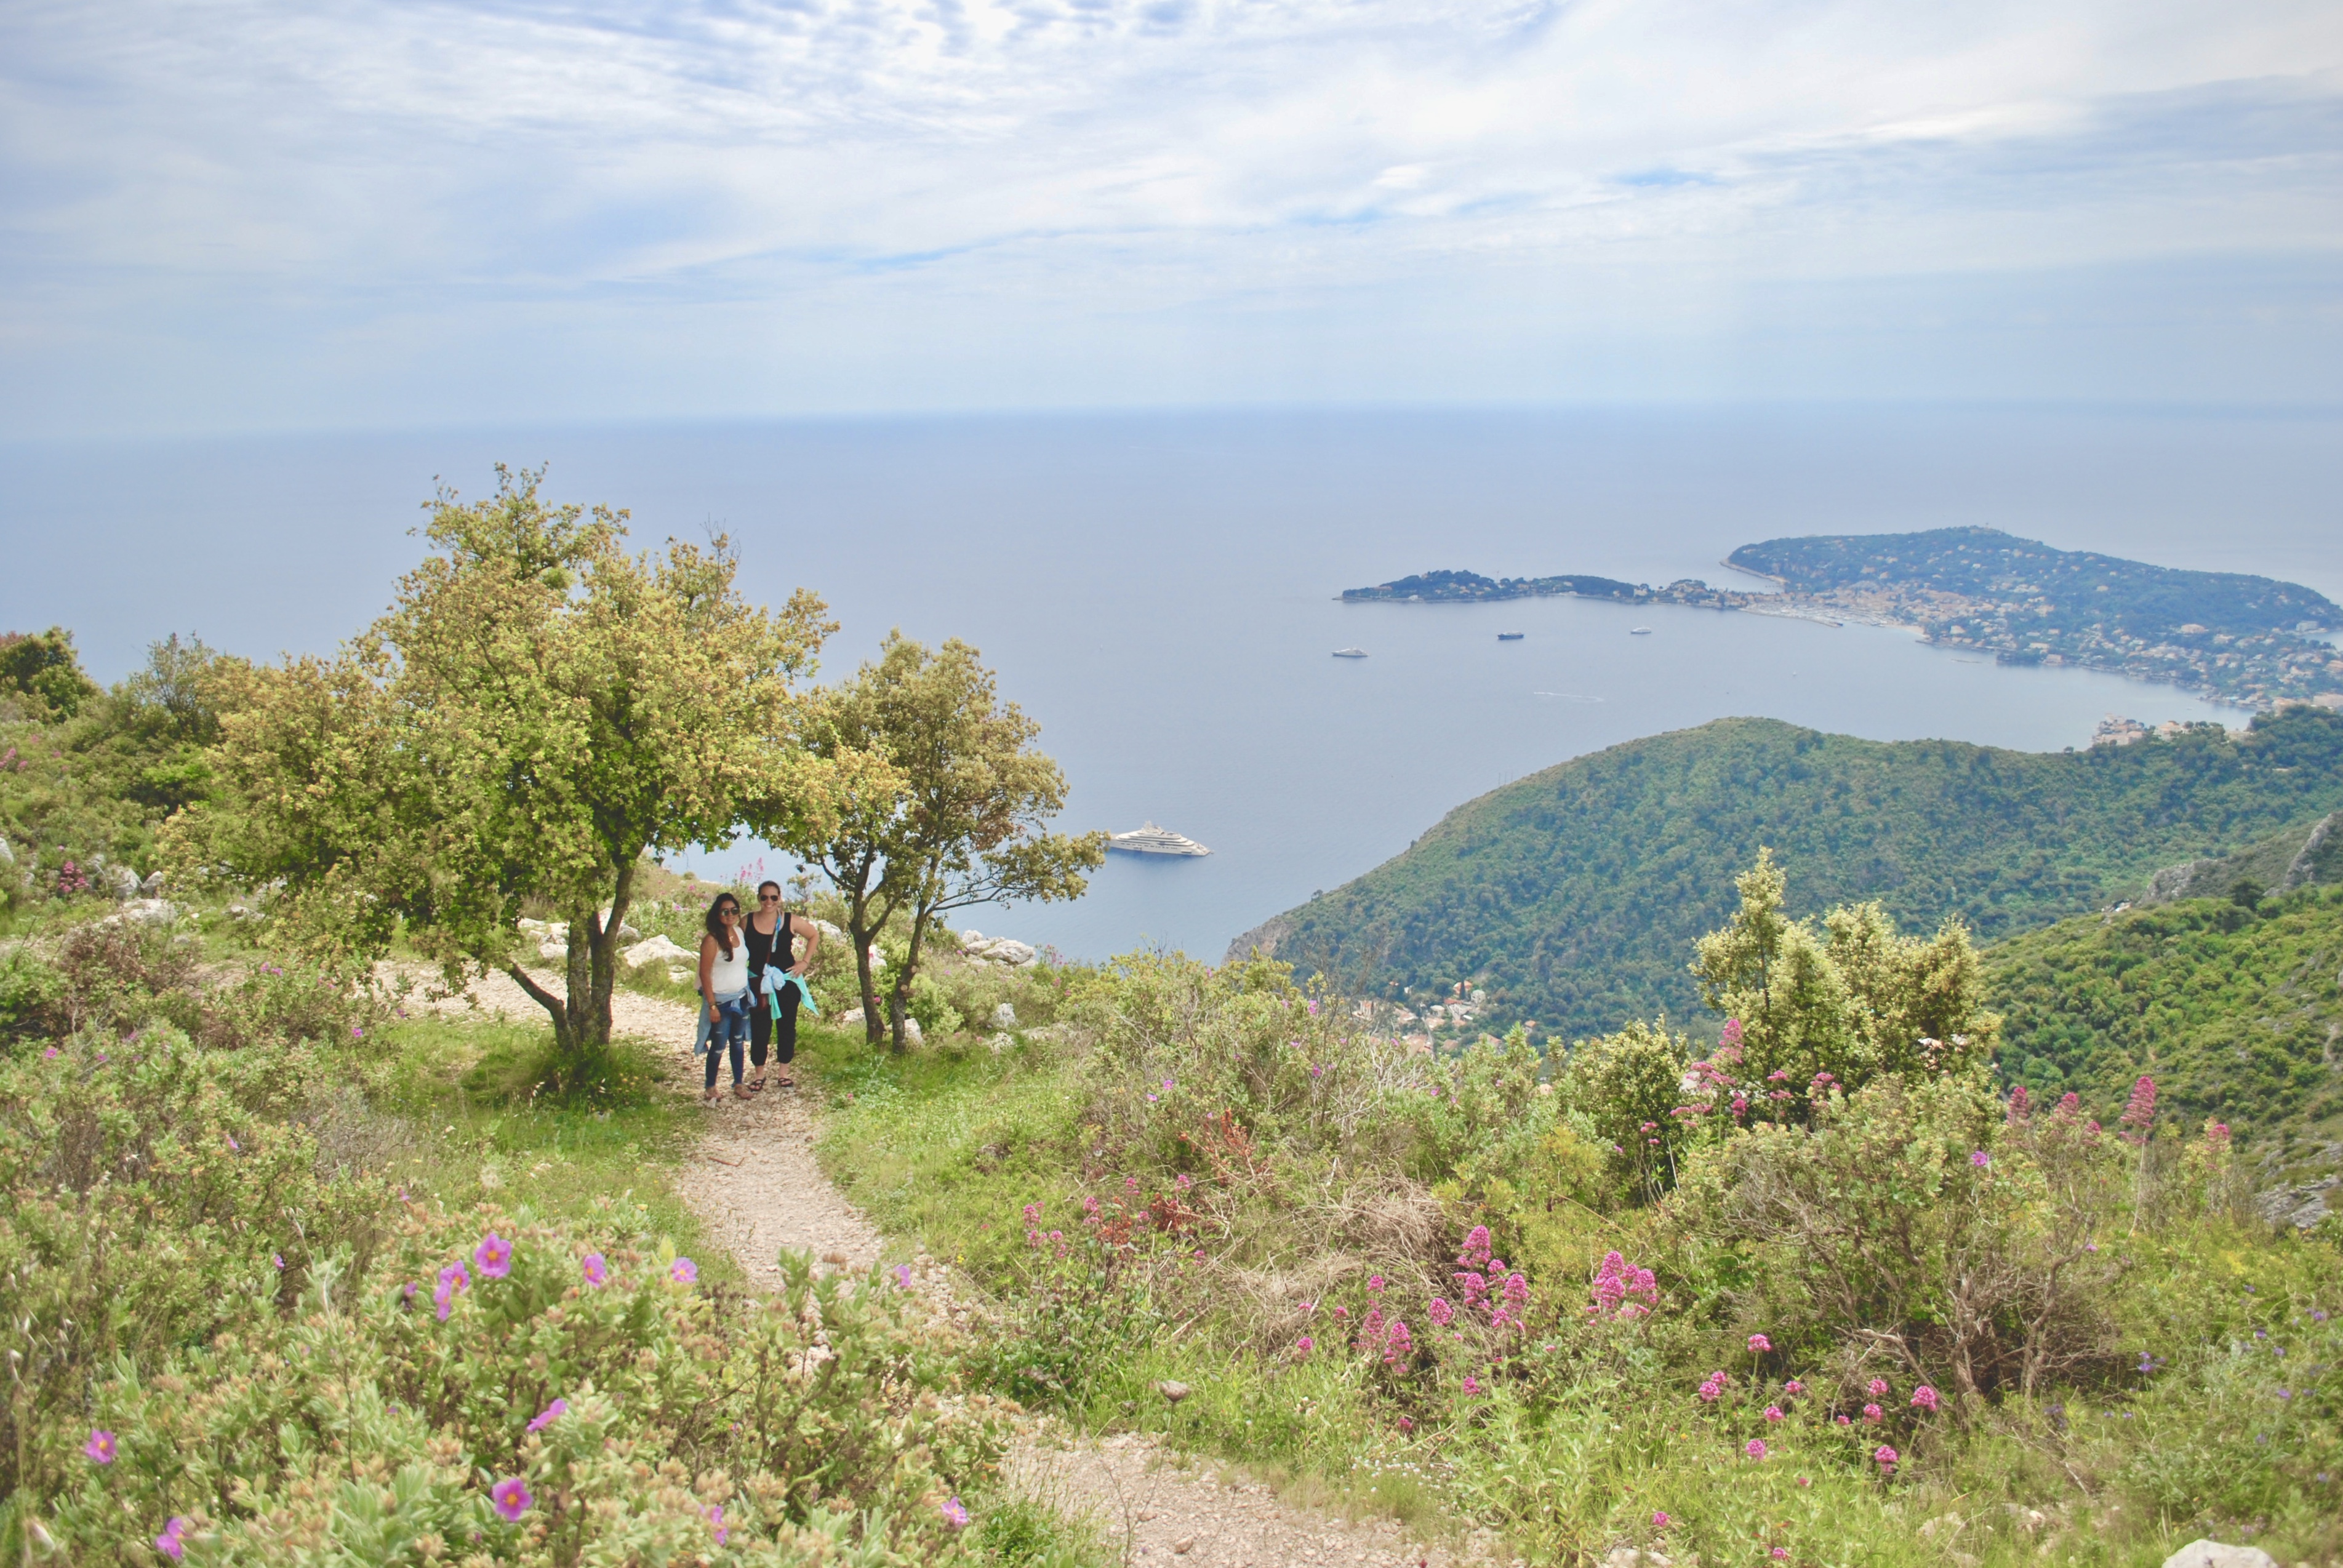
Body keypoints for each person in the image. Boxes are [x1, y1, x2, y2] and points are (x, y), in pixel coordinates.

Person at [745, 879, 820, 1089]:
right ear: (759, 898)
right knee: (760, 1028)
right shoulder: (747, 921)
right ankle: (759, 1074)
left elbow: (813, 935)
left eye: (773, 897)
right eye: (764, 897)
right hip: (759, 984)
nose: (769, 901)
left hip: (786, 983)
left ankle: (783, 1073)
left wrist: (805, 962)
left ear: (779, 898)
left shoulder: (790, 920)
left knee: (787, 1027)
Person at [697, 892, 754, 1104]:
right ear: (717, 914)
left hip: (741, 998)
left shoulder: (739, 932)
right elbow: (704, 974)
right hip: (721, 1001)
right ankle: (710, 1086)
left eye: (734, 910)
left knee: (738, 1043)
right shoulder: (712, 940)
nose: (730, 915)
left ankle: (738, 1083)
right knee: (719, 1045)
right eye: (725, 911)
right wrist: (712, 1005)